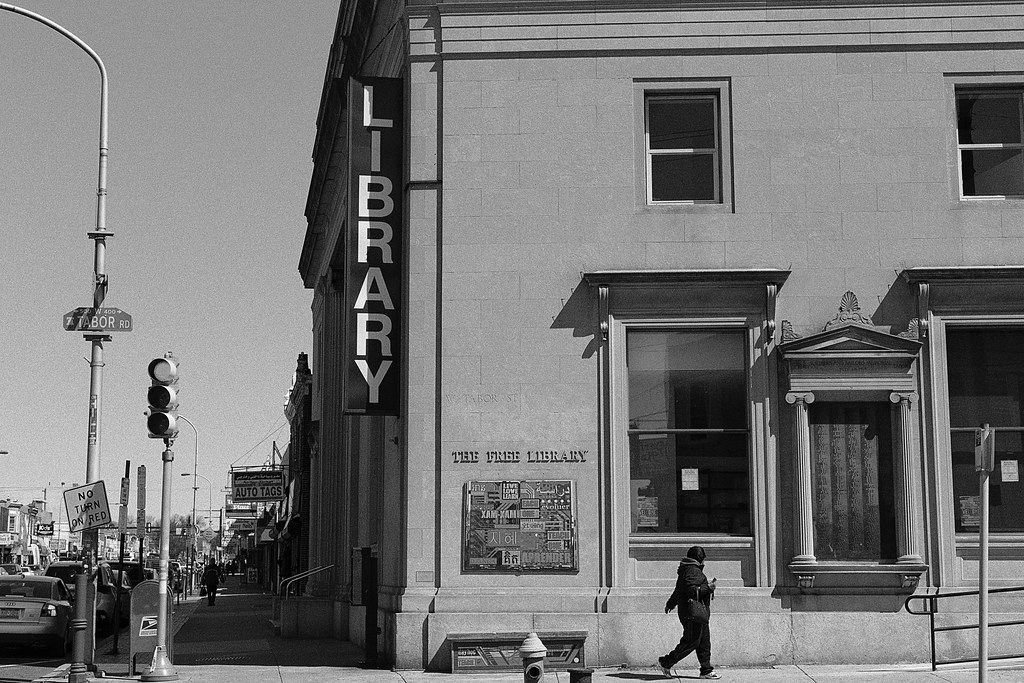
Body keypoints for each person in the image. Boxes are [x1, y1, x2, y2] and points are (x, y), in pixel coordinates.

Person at [658, 545, 720, 680]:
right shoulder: (692, 571)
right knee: (691, 641)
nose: (704, 561)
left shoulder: (687, 569)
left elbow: (679, 590)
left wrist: (670, 603)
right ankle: (666, 662)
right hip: (692, 614)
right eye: (703, 558)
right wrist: (709, 588)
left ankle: (706, 670)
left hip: (697, 613)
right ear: (699, 558)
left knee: (704, 642)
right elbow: (693, 591)